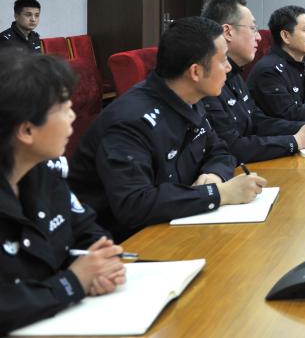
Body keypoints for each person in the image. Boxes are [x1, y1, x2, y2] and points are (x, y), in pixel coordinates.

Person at [68, 17, 266, 242]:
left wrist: (214, 175)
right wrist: (219, 194)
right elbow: (134, 204)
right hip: (123, 243)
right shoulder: (130, 120)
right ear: (195, 72)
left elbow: (220, 151)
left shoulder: (190, 99)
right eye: (223, 60)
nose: (229, 68)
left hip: (174, 223)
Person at [0, 50, 125, 334]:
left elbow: (89, 231)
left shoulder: (44, 171)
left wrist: (100, 265)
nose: (73, 116)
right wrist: (73, 282)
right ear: (27, 130)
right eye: (64, 108)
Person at [199, 0, 305, 163]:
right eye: (253, 28)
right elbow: (231, 147)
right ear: (228, 32)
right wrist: (296, 140)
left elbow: (257, 121)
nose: (259, 37)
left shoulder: (235, 75)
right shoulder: (207, 82)